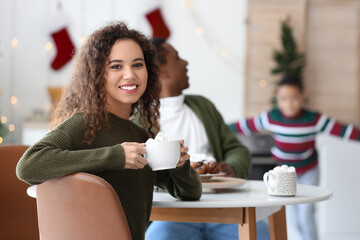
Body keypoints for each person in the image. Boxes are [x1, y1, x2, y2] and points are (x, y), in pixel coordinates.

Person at [16, 21, 202, 240]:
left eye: (137, 65)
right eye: (116, 66)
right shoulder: (84, 124)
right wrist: (116, 156)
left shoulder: (141, 137)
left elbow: (190, 193)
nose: (130, 75)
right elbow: (28, 166)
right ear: (97, 74)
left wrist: (179, 165)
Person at [145, 38, 270, 240]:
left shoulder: (203, 106)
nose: (186, 63)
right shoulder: (141, 119)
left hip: (222, 210)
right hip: (173, 214)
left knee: (261, 232)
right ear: (160, 70)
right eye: (177, 58)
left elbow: (236, 149)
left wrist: (233, 167)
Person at [229, 73, 360, 240]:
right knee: (291, 216)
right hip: (285, 175)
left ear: (303, 96)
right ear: (277, 98)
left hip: (308, 172)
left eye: (294, 97)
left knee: (306, 214)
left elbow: (344, 131)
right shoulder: (271, 118)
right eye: (283, 98)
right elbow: (243, 126)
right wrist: (216, 127)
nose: (289, 103)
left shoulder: (314, 120)